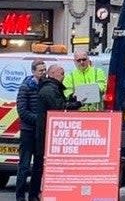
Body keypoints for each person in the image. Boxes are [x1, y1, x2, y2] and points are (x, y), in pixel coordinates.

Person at [29, 64, 82, 201]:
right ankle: (34, 195)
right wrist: (75, 105)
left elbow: (60, 104)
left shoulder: (53, 88)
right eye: (62, 73)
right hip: (46, 134)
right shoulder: (49, 89)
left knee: (41, 165)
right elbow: (58, 107)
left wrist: (71, 101)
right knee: (40, 166)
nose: (64, 76)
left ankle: (39, 194)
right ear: (53, 74)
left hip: (49, 133)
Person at [15, 59, 46, 201]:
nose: (43, 73)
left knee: (38, 166)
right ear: (33, 71)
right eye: (41, 70)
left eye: (44, 70)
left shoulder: (45, 86)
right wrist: (39, 120)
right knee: (25, 166)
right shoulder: (26, 87)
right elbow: (22, 111)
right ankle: (20, 196)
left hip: (40, 133)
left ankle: (33, 195)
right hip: (28, 131)